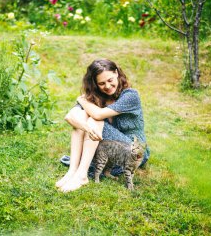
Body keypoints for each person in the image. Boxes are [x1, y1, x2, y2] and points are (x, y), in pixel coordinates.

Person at [55, 58, 150, 193]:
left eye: (110, 80)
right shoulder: (96, 97)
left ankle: (82, 175)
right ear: (95, 84)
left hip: (133, 150)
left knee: (95, 119)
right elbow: (70, 116)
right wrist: (86, 126)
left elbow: (98, 115)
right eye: (101, 83)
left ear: (116, 73)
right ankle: (72, 171)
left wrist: (82, 100)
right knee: (83, 117)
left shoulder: (131, 95)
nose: (107, 86)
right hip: (110, 151)